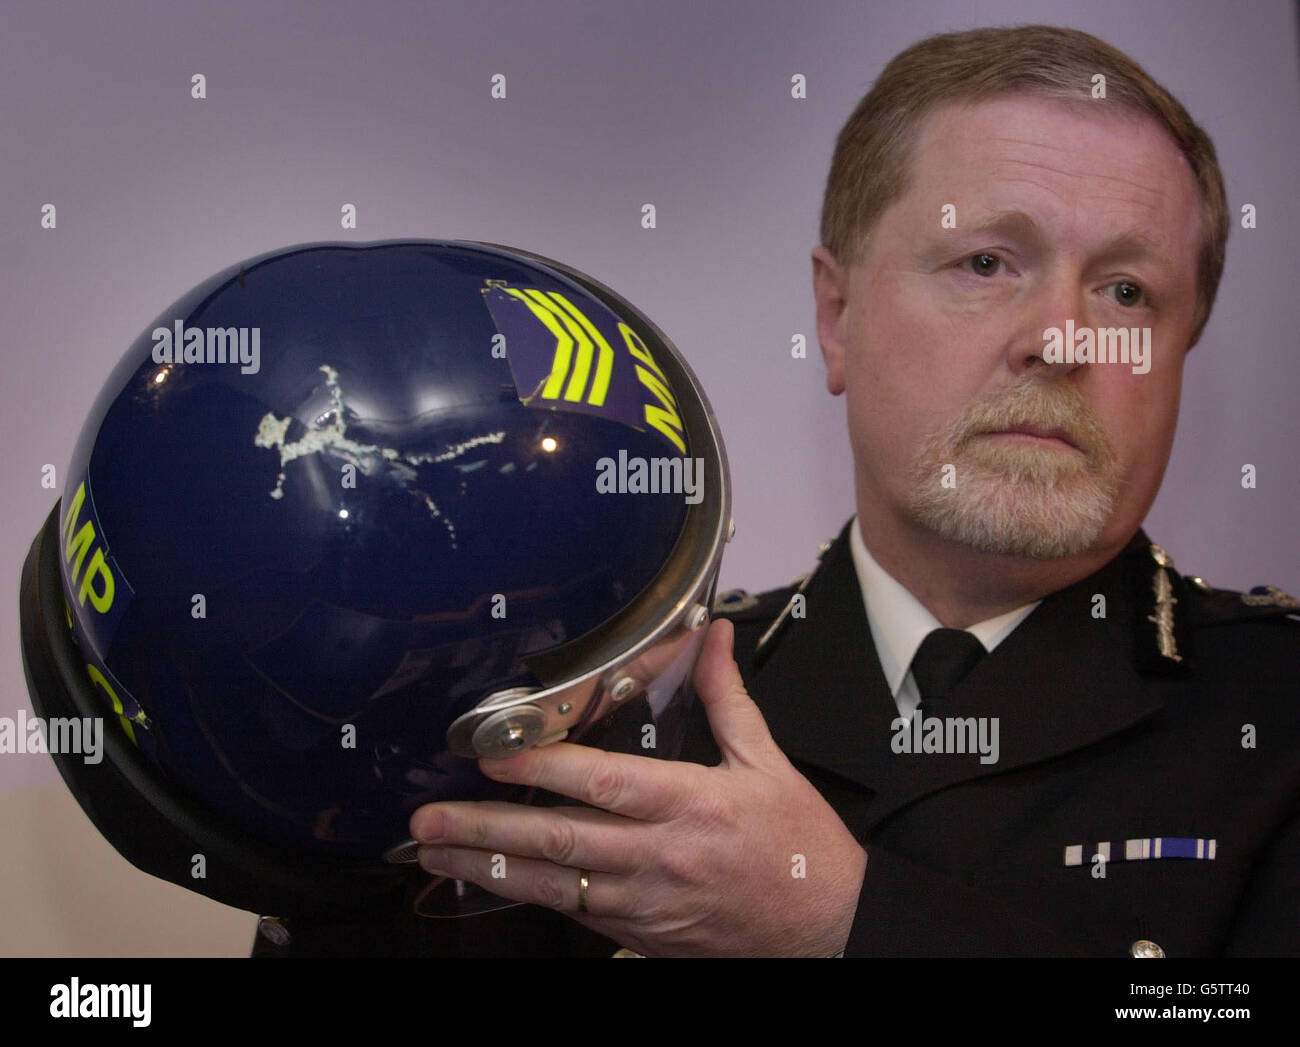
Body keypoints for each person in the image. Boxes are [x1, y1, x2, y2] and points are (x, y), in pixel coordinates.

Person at [256, 24, 1300, 958]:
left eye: (1126, 291)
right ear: (836, 314)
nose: (1059, 338)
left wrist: (847, 927)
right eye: (987, 262)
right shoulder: (610, 707)